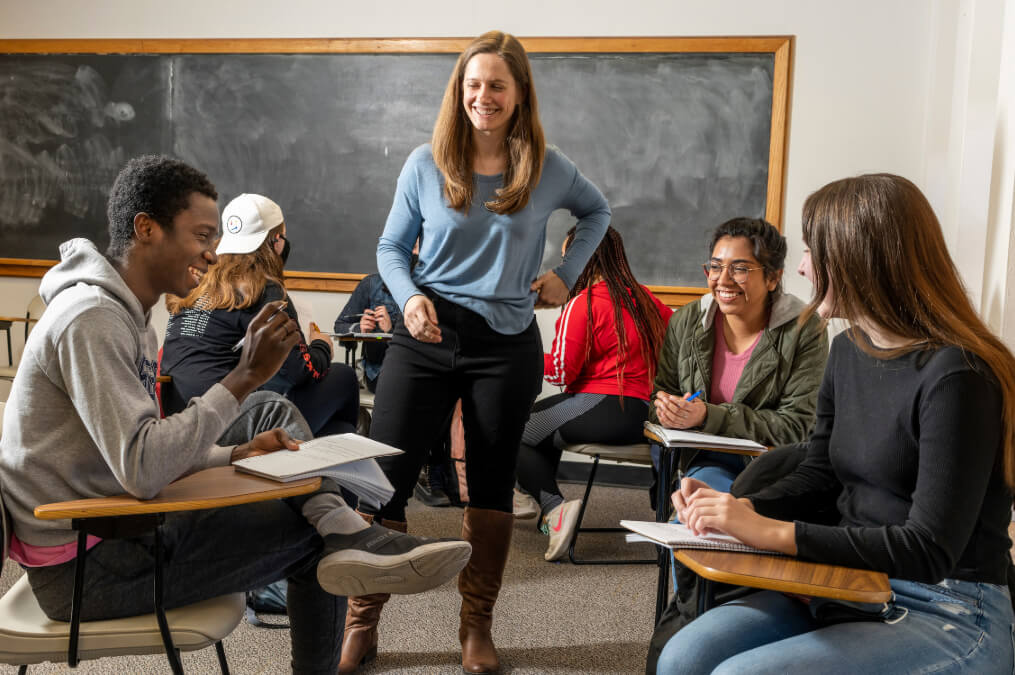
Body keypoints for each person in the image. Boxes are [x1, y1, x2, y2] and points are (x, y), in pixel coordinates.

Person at [0, 155, 472, 674]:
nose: (212, 251)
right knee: (315, 543)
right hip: (85, 570)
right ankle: (343, 530)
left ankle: (343, 529)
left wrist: (236, 451)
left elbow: (135, 453)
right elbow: (141, 468)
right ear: (147, 229)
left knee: (293, 478)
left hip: (111, 530)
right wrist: (242, 377)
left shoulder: (129, 317)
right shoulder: (91, 318)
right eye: (202, 234)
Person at [656, 173, 1015, 674]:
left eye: (812, 250)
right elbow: (820, 473)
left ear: (860, 258)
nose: (801, 267)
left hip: (948, 607)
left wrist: (770, 531)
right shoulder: (847, 351)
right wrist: (733, 509)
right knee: (683, 657)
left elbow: (929, 550)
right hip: (848, 583)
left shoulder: (959, 374)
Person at [340, 30, 611, 675]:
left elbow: (596, 212)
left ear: (519, 95)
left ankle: (476, 630)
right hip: (427, 336)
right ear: (458, 91)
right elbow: (388, 250)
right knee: (383, 480)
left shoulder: (547, 168)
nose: (482, 97)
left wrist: (565, 275)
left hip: (505, 344)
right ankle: (361, 623)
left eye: (496, 85)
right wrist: (407, 298)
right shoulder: (425, 163)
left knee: (488, 487)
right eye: (473, 85)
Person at [515, 225, 672, 561]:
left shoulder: (583, 303)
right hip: (650, 415)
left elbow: (560, 371)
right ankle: (527, 493)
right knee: (542, 422)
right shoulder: (649, 300)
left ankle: (553, 509)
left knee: (512, 427)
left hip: (606, 406)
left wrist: (519, 354)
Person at [649, 217, 828, 497]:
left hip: (772, 468)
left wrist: (710, 415)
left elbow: (797, 426)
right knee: (700, 509)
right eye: (715, 267)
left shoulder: (805, 329)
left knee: (704, 514)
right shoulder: (686, 321)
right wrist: (668, 410)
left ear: (773, 278)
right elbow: (660, 396)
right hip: (704, 461)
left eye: (740, 269)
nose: (722, 280)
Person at [161, 193, 359, 438]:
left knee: (339, 429)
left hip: (181, 420)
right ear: (277, 242)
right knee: (344, 376)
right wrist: (322, 346)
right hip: (229, 423)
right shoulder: (265, 289)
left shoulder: (196, 283)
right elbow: (298, 372)